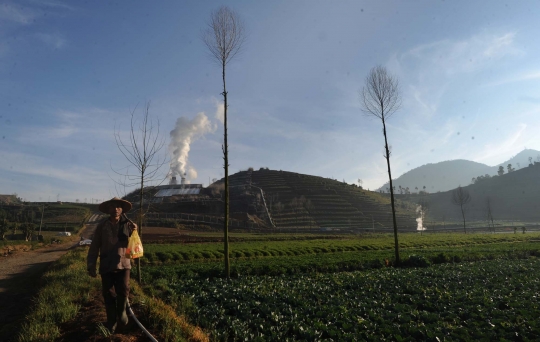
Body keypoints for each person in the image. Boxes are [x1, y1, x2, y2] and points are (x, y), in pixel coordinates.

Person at [87, 197, 137, 333]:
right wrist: (91, 264)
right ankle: (111, 320)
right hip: (106, 264)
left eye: (118, 207)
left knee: (124, 289)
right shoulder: (102, 226)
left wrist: (135, 231)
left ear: (121, 210)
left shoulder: (128, 225)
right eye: (112, 207)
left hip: (124, 263)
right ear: (108, 210)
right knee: (108, 293)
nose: (115, 209)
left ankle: (121, 314)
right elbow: (94, 246)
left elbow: (135, 243)